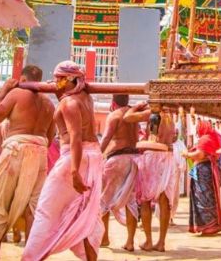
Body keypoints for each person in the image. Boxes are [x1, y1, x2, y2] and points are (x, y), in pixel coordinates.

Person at [22, 61, 103, 261]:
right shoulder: (85, 98)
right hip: (93, 156)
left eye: (59, 79)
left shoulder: (69, 103)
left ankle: (31, 257)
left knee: (46, 211)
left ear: (69, 80)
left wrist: (75, 172)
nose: (55, 82)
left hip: (74, 158)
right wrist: (60, 89)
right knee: (86, 213)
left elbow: (76, 138)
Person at [0, 65, 56, 260]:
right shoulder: (49, 103)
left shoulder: (17, 93)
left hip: (16, 149)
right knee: (33, 210)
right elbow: (51, 136)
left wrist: (4, 91)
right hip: (40, 151)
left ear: (22, 78)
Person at [99, 95, 148, 251]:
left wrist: (98, 155)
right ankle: (130, 242)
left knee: (104, 198)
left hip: (117, 159)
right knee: (131, 201)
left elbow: (106, 138)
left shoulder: (114, 115)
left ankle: (104, 237)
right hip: (134, 159)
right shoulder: (133, 116)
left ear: (113, 102)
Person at [136, 110, 179, 251]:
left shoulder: (153, 114)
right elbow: (172, 138)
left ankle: (149, 241)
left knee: (145, 200)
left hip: (154, 156)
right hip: (167, 156)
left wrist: (140, 109)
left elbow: (127, 117)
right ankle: (161, 242)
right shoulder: (170, 117)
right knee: (164, 200)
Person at [185, 120, 221, 236]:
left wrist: (187, 154)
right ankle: (213, 224)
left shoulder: (205, 139)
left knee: (203, 198)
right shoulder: (215, 137)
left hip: (203, 171)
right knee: (209, 198)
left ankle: (208, 226)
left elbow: (200, 154)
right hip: (209, 170)